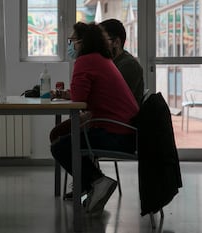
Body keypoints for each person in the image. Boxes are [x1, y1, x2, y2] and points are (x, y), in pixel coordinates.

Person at [50, 22, 139, 213]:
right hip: (126, 131)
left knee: (60, 147)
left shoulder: (86, 61)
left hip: (116, 133)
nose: (70, 45)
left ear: (82, 42)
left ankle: (98, 182)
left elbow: (78, 99)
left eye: (72, 40)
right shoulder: (102, 59)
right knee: (64, 139)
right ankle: (92, 185)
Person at [99, 18, 144, 105]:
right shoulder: (112, 63)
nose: (98, 45)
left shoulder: (129, 65)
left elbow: (112, 100)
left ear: (116, 42)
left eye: (102, 41)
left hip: (117, 118)